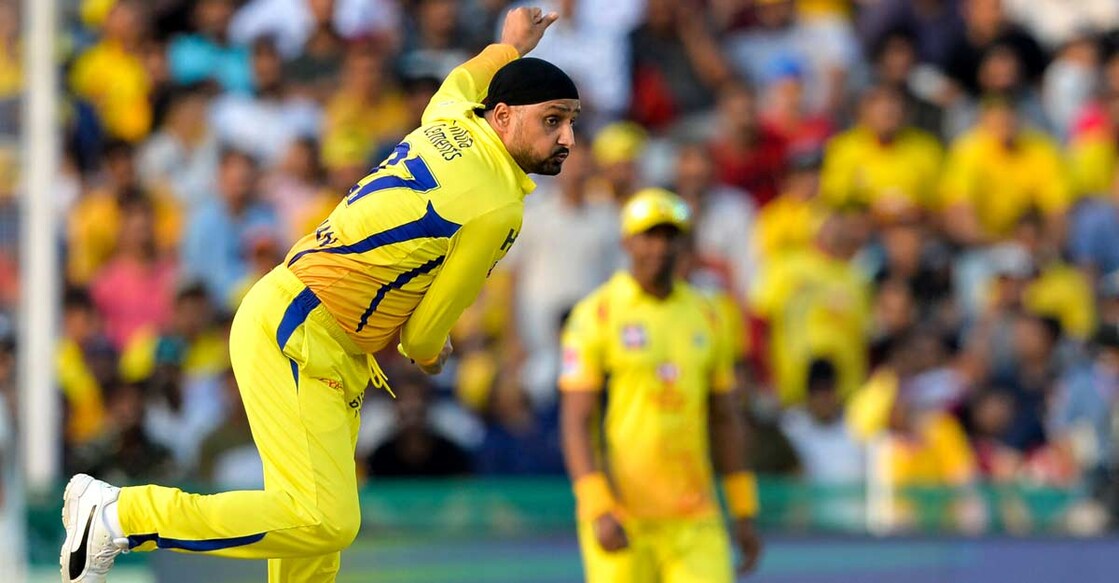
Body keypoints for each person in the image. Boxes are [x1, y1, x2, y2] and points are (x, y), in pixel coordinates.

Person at [61, 8, 574, 583]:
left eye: (572, 122)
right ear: (503, 117)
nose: (568, 138)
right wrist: (434, 353)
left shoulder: (448, 116)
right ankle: (120, 513)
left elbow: (466, 80)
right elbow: (424, 337)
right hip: (302, 330)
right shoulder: (500, 207)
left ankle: (120, 513)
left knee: (310, 538)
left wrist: (508, 46)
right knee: (328, 520)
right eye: (552, 121)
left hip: (304, 324)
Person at [559, 188, 763, 583]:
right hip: (622, 515)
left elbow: (725, 420)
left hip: (694, 518)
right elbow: (577, 422)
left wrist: (743, 509)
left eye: (670, 237)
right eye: (649, 236)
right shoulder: (597, 314)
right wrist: (598, 505)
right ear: (627, 242)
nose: (660, 248)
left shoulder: (708, 315)